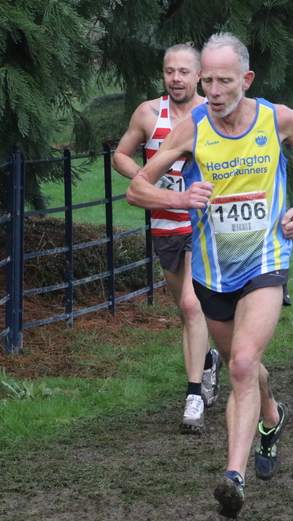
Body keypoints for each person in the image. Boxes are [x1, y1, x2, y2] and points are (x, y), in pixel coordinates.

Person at [126, 32, 293, 518]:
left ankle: (233, 476)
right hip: (214, 271)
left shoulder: (276, 119)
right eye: (207, 80)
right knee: (245, 363)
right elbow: (138, 188)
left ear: (246, 79)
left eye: (223, 81)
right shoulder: (192, 127)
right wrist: (179, 199)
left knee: (239, 365)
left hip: (266, 259)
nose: (212, 90)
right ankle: (273, 417)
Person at [112, 44, 221, 435]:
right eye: (169, 71)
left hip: (205, 224)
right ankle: (208, 362)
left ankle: (193, 395)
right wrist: (143, 175)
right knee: (186, 309)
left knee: (193, 306)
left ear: (198, 76)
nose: (176, 78)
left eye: (183, 72)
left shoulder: (212, 112)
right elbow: (120, 155)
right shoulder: (148, 113)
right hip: (165, 222)